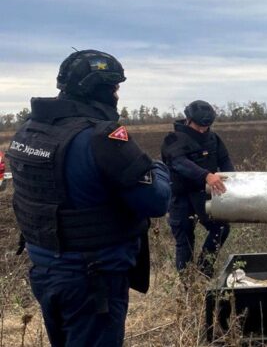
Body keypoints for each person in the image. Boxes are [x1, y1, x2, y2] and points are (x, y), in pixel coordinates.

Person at [6, 49, 171, 347]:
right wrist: (158, 168)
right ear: (101, 90)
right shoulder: (101, 138)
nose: (118, 95)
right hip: (92, 279)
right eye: (115, 87)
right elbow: (156, 201)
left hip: (45, 270)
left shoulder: (29, 131)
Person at [161, 100, 232, 278]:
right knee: (185, 240)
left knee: (221, 228)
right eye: (199, 126)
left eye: (206, 126)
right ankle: (187, 285)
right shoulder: (174, 139)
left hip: (206, 197)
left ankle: (204, 270)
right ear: (188, 120)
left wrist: (233, 180)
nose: (202, 130)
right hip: (181, 198)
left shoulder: (213, 138)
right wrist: (206, 175)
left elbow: (225, 160)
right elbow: (179, 162)